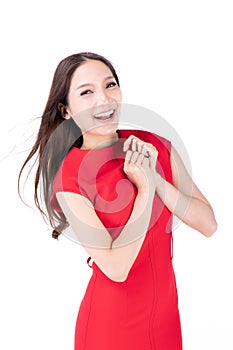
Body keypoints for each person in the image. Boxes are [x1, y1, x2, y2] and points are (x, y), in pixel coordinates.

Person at [18, 52, 217, 350]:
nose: (104, 99)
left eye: (110, 85)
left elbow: (208, 223)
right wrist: (146, 192)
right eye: (87, 92)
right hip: (111, 328)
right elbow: (117, 268)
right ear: (66, 110)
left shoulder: (153, 145)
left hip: (165, 322)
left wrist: (156, 178)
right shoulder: (70, 178)